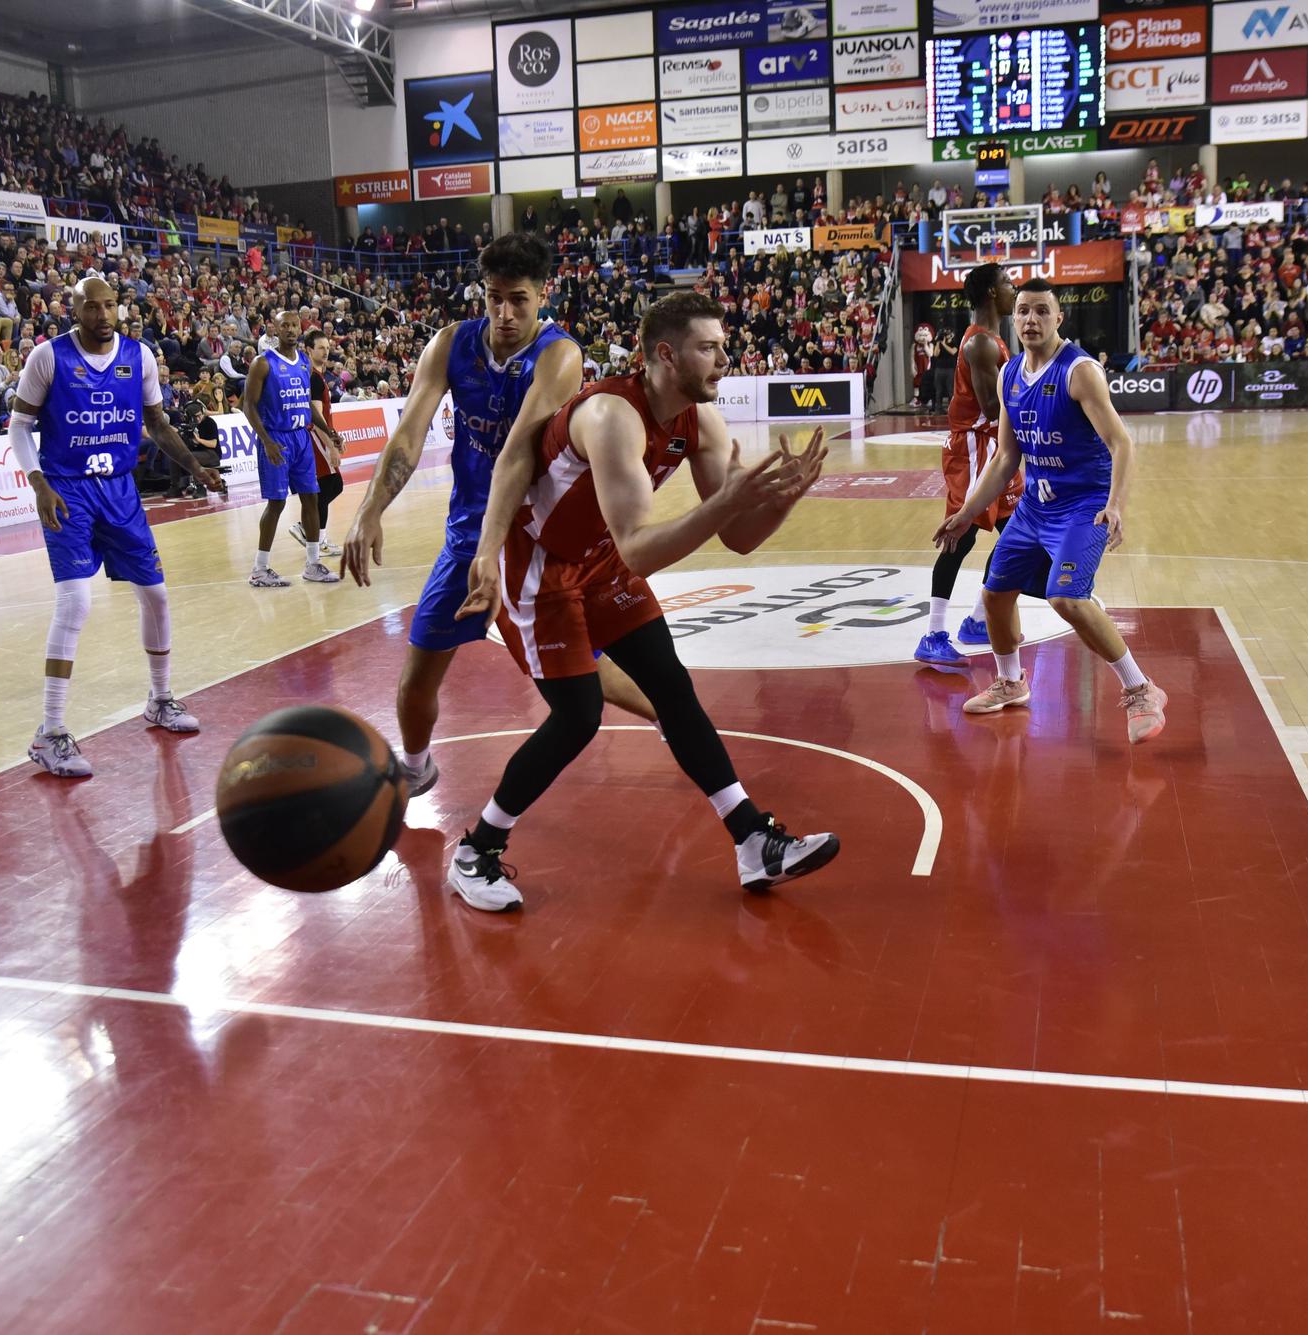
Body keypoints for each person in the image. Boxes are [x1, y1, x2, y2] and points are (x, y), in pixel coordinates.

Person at [444, 291, 837, 912]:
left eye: (722, 346)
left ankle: (752, 841)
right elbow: (641, 551)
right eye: (708, 348)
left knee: (671, 689)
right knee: (577, 717)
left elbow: (735, 538)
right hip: (541, 566)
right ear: (665, 354)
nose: (723, 359)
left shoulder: (701, 420)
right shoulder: (612, 417)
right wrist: (727, 502)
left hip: (601, 560)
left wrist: (783, 498)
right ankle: (476, 850)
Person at [341, 232, 656, 796]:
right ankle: (415, 768)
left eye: (518, 300)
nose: (505, 313)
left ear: (543, 296)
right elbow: (409, 434)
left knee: (580, 673)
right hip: (468, 537)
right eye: (494, 299)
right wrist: (370, 510)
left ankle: (671, 716)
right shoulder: (448, 345)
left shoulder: (559, 356)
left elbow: (515, 455)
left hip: (534, 538)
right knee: (415, 681)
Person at [934, 278, 1168, 743]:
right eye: (1023, 311)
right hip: (1035, 508)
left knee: (1067, 597)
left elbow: (1121, 443)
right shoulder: (1009, 374)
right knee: (994, 593)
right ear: (1013, 317)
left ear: (1059, 318)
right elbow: (1004, 459)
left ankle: (1141, 688)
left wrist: (1115, 505)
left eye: (1042, 311)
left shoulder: (1079, 371)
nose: (1031, 319)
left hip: (1084, 506)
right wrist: (965, 513)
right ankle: (1011, 682)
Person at [10, 276, 226, 778]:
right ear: (76, 310)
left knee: (157, 597)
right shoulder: (48, 357)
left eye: (110, 306)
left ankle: (160, 699)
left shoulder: (141, 356)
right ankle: (50, 732)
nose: (103, 315)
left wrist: (196, 468)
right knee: (76, 602)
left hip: (121, 492)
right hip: (68, 490)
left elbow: (158, 424)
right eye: (93, 307)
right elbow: (19, 425)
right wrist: (39, 484)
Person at [916, 263, 1022, 669]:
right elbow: (992, 408)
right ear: (992, 294)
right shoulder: (980, 345)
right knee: (961, 536)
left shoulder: (992, 341)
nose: (1013, 289)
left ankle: (979, 620)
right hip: (974, 445)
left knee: (1017, 535)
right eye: (1008, 284)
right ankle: (933, 634)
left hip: (991, 444)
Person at [243, 312, 337, 586]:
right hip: (277, 437)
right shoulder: (263, 363)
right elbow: (248, 405)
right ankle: (260, 569)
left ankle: (313, 563)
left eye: (295, 325)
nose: (290, 330)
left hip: (302, 438)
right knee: (277, 502)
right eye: (284, 325)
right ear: (275, 329)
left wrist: (329, 432)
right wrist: (266, 441)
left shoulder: (305, 363)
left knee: (311, 498)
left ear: (300, 328)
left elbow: (307, 404)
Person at [291, 330, 343, 558]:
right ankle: (306, 526)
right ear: (309, 350)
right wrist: (331, 445)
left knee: (325, 486)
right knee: (333, 484)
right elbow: (316, 416)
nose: (326, 351)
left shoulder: (317, 376)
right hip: (315, 437)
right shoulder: (312, 377)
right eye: (321, 348)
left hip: (318, 436)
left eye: (327, 347)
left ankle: (319, 538)